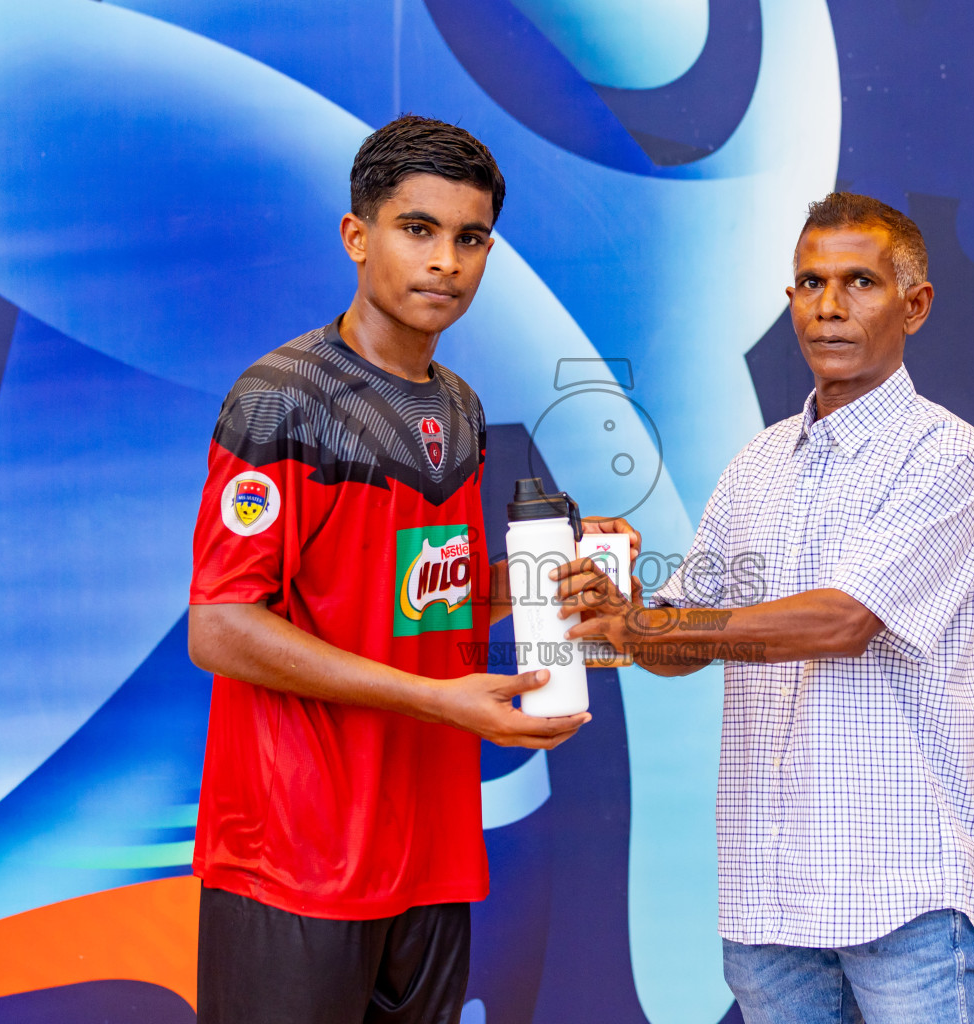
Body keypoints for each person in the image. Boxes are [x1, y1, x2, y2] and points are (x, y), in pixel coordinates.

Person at [186, 115, 630, 1024]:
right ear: (357, 237)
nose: (446, 262)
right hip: (295, 858)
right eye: (417, 229)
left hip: (427, 849)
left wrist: (558, 581)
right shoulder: (279, 398)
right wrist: (438, 702)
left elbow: (428, 597)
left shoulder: (459, 408)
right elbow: (222, 625)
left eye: (470, 239)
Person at [559, 193, 974, 1023]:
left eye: (859, 282)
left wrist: (648, 624)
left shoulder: (947, 454)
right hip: (768, 897)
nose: (828, 306)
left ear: (916, 305)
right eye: (808, 283)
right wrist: (620, 605)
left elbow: (843, 621)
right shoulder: (757, 463)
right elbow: (677, 639)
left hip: (900, 890)